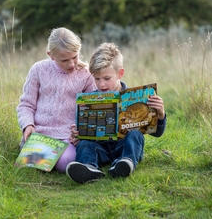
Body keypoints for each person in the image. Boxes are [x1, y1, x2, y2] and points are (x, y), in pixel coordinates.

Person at [66, 42, 167, 184]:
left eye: (107, 78)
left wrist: (160, 115)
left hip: (124, 147)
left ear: (120, 73)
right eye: (97, 78)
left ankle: (126, 163)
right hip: (100, 149)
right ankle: (88, 168)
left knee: (135, 135)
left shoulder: (136, 97)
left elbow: (157, 133)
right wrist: (79, 134)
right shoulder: (91, 99)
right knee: (84, 145)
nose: (101, 85)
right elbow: (85, 133)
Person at [16, 27, 96, 173]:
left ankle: (45, 161)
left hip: (68, 136)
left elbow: (92, 109)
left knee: (67, 161)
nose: (71, 64)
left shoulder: (86, 74)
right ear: (51, 55)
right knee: (38, 161)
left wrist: (81, 131)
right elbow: (26, 105)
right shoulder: (38, 70)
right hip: (41, 134)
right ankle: (36, 157)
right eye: (64, 60)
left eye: (75, 57)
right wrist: (28, 125)